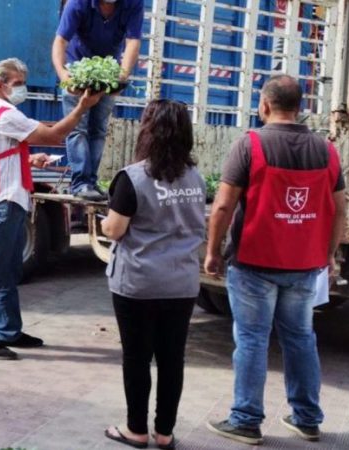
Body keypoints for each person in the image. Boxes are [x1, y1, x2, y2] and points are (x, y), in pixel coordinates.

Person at [204, 75, 347, 445]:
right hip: (304, 265)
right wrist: (328, 256)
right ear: (300, 108)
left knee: (252, 339)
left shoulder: (250, 145)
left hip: (254, 263)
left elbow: (222, 205)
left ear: (264, 106)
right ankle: (307, 418)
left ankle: (246, 420)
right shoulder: (328, 151)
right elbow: (340, 211)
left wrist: (212, 251)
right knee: (300, 338)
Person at [0, 58, 103, 360]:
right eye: (17, 83)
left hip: (4, 200)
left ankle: (7, 330)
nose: (22, 88)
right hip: (2, 202)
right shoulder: (5, 114)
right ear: (1, 85)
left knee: (7, 271)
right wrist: (81, 108)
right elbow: (54, 135)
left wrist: (29, 159)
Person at [100, 99, 206, 449]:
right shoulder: (196, 178)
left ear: (148, 131)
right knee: (172, 358)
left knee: (137, 357)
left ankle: (136, 430)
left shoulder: (132, 178)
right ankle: (164, 433)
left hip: (138, 284)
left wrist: (104, 220)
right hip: (182, 284)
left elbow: (115, 230)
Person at [52, 0, 145, 201]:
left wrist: (121, 76)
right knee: (78, 128)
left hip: (107, 72)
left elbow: (133, 42)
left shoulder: (133, 3)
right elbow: (60, 41)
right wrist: (64, 77)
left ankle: (90, 182)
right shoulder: (78, 3)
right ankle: (80, 183)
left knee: (99, 130)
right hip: (78, 70)